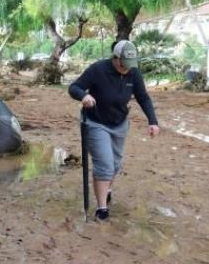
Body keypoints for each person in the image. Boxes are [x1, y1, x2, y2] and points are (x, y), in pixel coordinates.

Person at [68, 40, 160, 221]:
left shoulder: (133, 73)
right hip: (95, 122)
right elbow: (74, 87)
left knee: (115, 164)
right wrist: (84, 95)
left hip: (119, 123)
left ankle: (106, 188)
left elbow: (143, 97)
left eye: (130, 65)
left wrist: (153, 121)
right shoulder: (98, 69)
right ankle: (102, 209)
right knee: (105, 165)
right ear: (116, 58)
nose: (127, 69)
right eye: (124, 64)